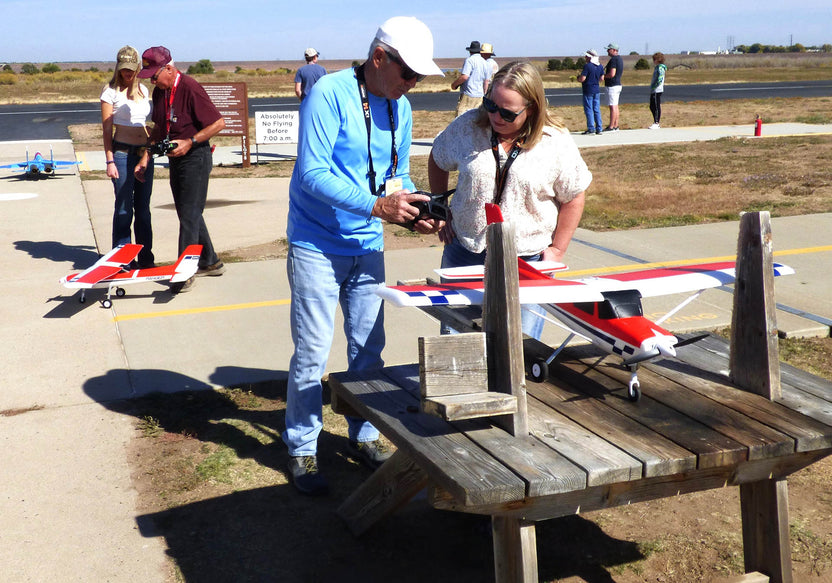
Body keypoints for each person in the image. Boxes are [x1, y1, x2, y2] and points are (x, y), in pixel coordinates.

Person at [283, 16, 444, 495]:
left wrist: (415, 210)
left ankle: (365, 433)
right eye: (408, 73)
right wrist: (377, 207)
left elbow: (398, 174)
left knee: (368, 348)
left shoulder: (401, 105)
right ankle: (302, 446)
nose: (412, 83)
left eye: (418, 77)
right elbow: (312, 173)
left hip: (367, 243)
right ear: (378, 57)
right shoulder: (328, 93)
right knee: (313, 351)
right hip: (316, 244)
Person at [429, 61, 591, 339]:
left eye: (507, 112)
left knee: (520, 346)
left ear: (532, 108)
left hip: (526, 260)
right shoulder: (469, 126)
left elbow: (574, 195)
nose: (496, 116)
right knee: (457, 344)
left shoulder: (555, 141)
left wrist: (558, 249)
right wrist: (440, 209)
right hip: (466, 251)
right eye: (491, 106)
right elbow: (437, 157)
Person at [136, 46, 226, 293]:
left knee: (188, 214)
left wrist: (190, 142)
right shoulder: (160, 92)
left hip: (196, 157)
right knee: (189, 211)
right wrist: (146, 156)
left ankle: (184, 273)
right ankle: (210, 261)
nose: (152, 81)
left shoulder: (190, 87)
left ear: (169, 68)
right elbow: (158, 127)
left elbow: (218, 123)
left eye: (155, 75)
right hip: (176, 159)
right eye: (149, 77)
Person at [100, 46, 155, 268]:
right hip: (122, 154)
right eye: (123, 69)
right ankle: (122, 259)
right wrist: (110, 160)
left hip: (144, 154)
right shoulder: (110, 92)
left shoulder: (143, 89)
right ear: (118, 67)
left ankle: (145, 257)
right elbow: (106, 130)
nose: (127, 73)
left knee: (143, 208)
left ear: (138, 67)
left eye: (131, 69)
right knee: (124, 208)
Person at [451, 40, 491, 117]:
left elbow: (464, 77)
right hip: (480, 95)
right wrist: (484, 95)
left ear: (470, 51)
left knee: (461, 118)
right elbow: (486, 82)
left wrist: (454, 85)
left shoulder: (469, 60)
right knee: (476, 118)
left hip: (468, 94)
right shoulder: (486, 63)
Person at [577, 49, 604, 135]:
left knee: (589, 109)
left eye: (587, 56)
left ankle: (591, 128)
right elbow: (602, 78)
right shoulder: (600, 66)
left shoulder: (587, 66)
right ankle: (599, 128)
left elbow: (583, 78)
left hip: (588, 89)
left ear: (590, 57)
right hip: (596, 89)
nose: (585, 57)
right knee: (596, 109)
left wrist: (578, 78)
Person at [603, 43, 624, 131]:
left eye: (609, 49)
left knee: (612, 106)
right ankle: (615, 125)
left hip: (612, 85)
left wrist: (603, 76)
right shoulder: (619, 59)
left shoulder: (614, 60)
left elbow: (612, 74)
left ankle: (611, 126)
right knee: (615, 106)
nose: (607, 51)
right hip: (617, 84)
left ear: (614, 50)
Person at [649, 52, 667, 129]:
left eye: (654, 59)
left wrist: (655, 85)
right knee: (651, 106)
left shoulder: (660, 68)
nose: (653, 61)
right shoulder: (657, 67)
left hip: (657, 89)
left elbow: (660, 78)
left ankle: (656, 122)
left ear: (658, 60)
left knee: (656, 106)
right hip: (654, 90)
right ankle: (655, 121)